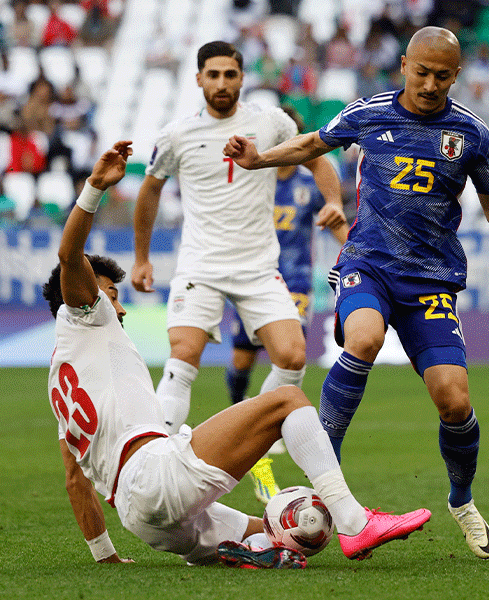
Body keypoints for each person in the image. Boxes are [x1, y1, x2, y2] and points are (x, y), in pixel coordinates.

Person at [224, 26, 489, 560]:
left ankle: (461, 499)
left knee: (455, 402)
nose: (430, 84)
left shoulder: (471, 133)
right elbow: (314, 142)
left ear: (457, 75)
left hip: (431, 281)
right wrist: (258, 158)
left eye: (443, 75)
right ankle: (326, 477)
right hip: (368, 265)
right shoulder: (370, 113)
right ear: (404, 64)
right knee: (361, 339)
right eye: (422, 71)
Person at [43, 140, 431, 569]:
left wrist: (106, 557)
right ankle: (355, 522)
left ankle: (260, 552)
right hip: (153, 477)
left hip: (142, 520)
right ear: (81, 296)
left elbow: (74, 480)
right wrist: (94, 188)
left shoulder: (63, 376)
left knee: (276, 533)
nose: (118, 306)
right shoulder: (85, 317)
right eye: (110, 294)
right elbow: (68, 256)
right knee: (287, 400)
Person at [132, 41, 347, 504]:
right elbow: (149, 191)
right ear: (198, 80)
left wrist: (333, 201)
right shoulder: (177, 134)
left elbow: (316, 156)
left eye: (230, 74)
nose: (222, 83)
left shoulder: (270, 122)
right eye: (213, 74)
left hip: (257, 267)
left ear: (242, 78)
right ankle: (153, 462)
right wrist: (143, 258)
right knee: (183, 354)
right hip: (201, 266)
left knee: (292, 356)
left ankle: (254, 439)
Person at [225, 107, 348, 408]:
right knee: (242, 358)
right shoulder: (251, 177)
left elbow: (333, 220)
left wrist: (356, 250)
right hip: (255, 275)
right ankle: (237, 410)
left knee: (291, 353)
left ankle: (264, 420)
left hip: (296, 277)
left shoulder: (309, 182)